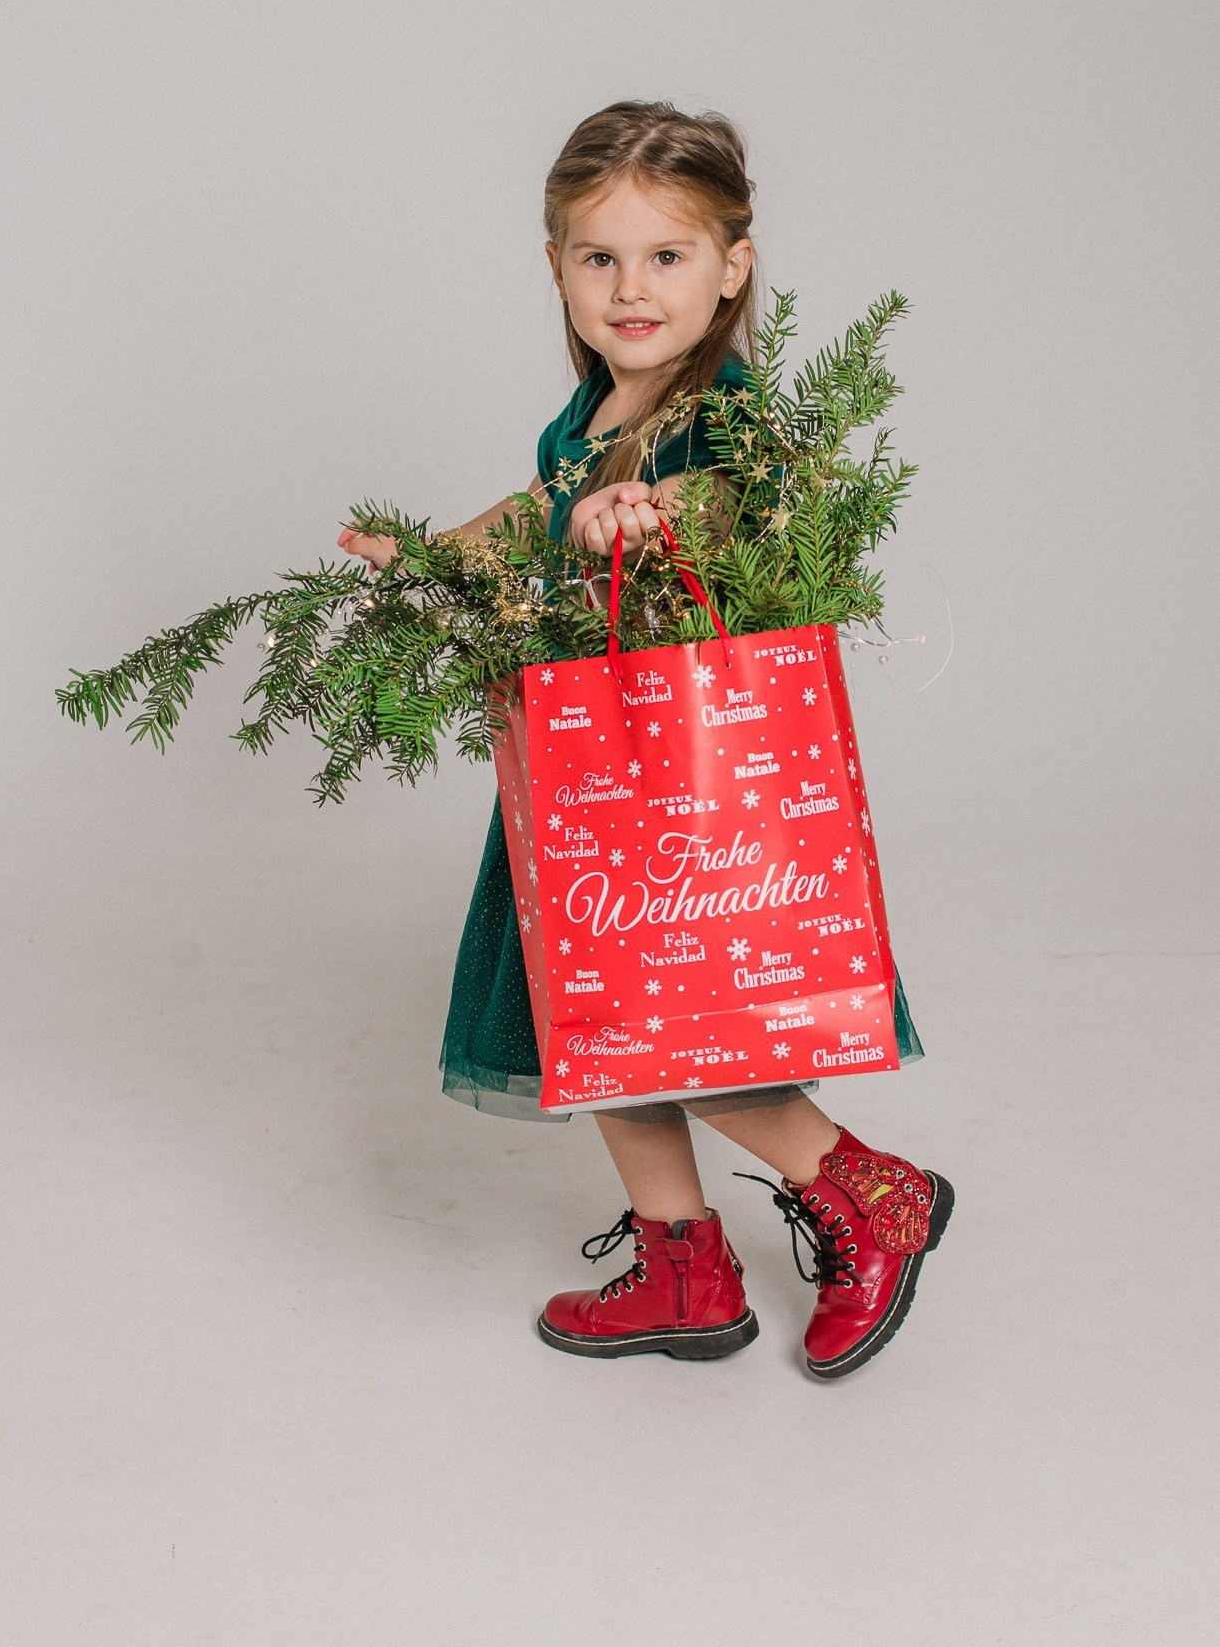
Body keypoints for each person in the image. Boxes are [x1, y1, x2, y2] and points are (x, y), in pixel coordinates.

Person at [339, 101, 952, 1379]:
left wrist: (644, 511)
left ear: (731, 266)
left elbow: (721, 503)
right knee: (600, 1014)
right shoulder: (584, 415)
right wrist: (427, 553)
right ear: (555, 267)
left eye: (665, 256)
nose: (629, 286)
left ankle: (867, 1189)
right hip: (590, 786)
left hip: (686, 796)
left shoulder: (715, 413)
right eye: (597, 257)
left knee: (675, 1009)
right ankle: (683, 1261)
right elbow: (535, 511)